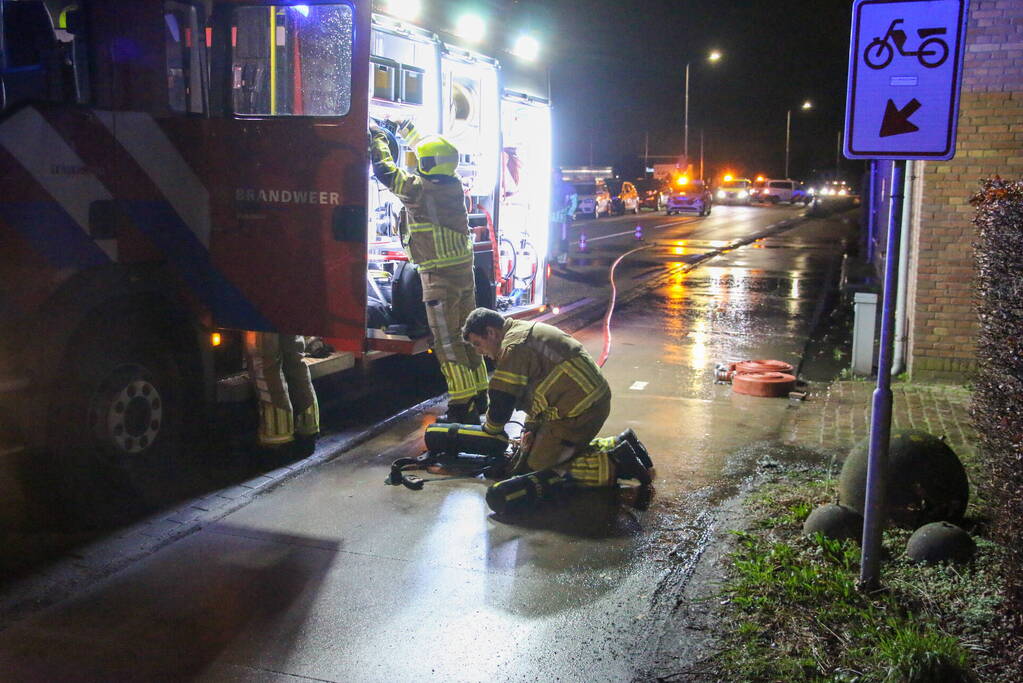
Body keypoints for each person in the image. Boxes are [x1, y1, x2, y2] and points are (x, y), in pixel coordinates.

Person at [369, 119, 489, 423]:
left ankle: (462, 404)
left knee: (447, 342)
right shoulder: (450, 183)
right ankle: (479, 393)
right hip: (462, 275)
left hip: (439, 279)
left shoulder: (418, 190)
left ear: (428, 164)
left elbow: (385, 172)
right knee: (469, 337)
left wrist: (376, 138)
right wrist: (406, 128)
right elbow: (434, 153)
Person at [461, 307, 616, 477]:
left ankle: (616, 464)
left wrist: (490, 430)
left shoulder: (513, 347)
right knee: (530, 447)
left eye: (477, 344)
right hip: (583, 402)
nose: (478, 352)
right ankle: (616, 445)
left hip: (581, 411)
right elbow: (534, 390)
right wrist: (530, 428)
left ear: (491, 332)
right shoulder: (521, 330)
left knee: (537, 469)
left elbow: (502, 399)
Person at [245, 331, 319, 457]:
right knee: (295, 361)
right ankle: (308, 430)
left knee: (265, 363)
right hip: (288, 313)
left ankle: (278, 440)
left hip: (264, 313)